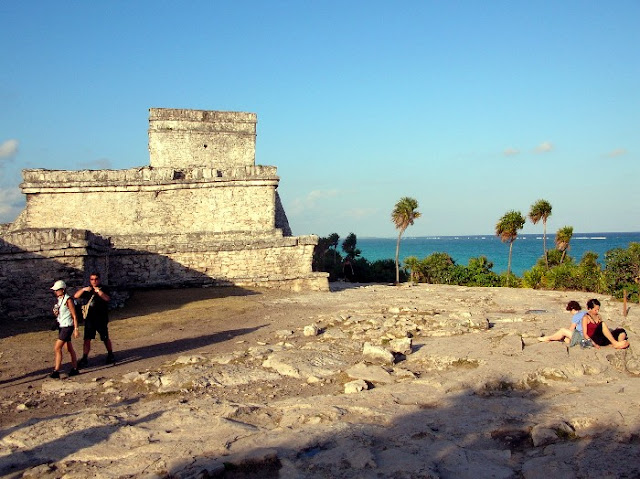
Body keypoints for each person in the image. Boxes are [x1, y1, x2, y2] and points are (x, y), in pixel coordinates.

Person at [74, 272, 115, 366]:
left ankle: (110, 354)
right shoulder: (88, 290)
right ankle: (84, 358)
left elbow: (107, 298)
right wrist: (84, 289)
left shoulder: (104, 288)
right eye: (92, 279)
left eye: (96, 279)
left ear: (99, 279)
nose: (94, 281)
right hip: (90, 318)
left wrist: (98, 291)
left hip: (101, 318)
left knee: (105, 337)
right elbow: (76, 296)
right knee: (87, 338)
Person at [50, 280, 80, 378]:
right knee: (69, 348)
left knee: (57, 348)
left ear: (62, 290)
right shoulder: (60, 299)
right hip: (62, 325)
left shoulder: (68, 300)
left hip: (67, 326)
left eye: (57, 290)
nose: (55, 292)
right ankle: (75, 368)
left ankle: (56, 371)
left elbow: (74, 315)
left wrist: (76, 329)